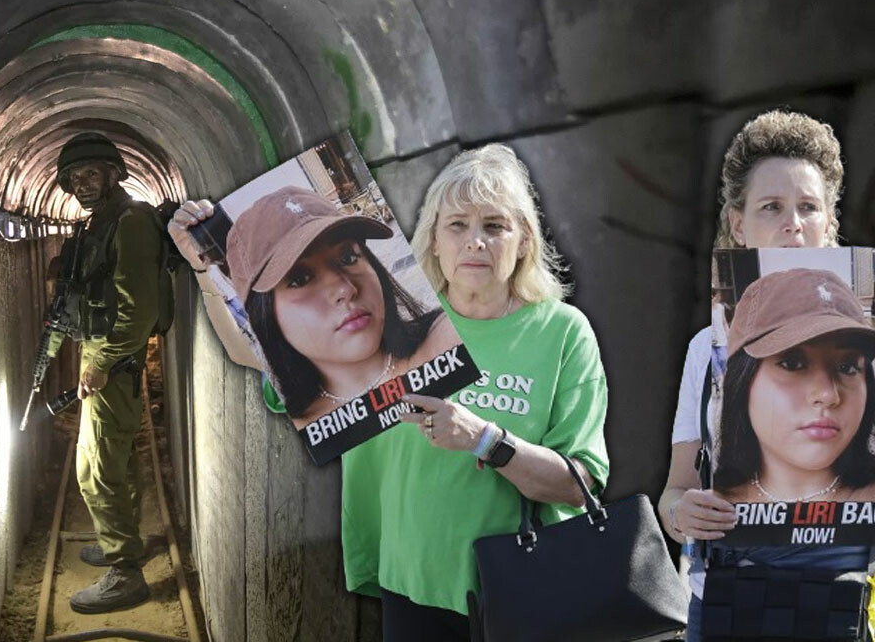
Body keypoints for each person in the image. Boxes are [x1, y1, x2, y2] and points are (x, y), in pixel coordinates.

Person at [170, 144, 609, 640]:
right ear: (435, 240)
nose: (475, 243)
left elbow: (581, 483)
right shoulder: (376, 344)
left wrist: (486, 439)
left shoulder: (562, 332)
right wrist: (205, 269)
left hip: (523, 588)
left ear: (524, 239)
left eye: (495, 225)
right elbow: (250, 353)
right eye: (457, 225)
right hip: (410, 587)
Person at [656, 109, 870, 640]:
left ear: (829, 222)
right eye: (771, 207)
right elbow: (673, 493)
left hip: (840, 604)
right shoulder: (707, 349)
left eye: (808, 207)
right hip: (727, 607)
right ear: (738, 222)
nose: (792, 223)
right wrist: (685, 515)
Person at [222, 186, 460, 430]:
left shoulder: (447, 338)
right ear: (266, 316)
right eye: (300, 279)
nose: (345, 289)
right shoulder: (298, 429)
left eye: (348, 257)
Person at [52, 131, 162, 613]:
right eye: (74, 178)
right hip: (103, 351)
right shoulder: (104, 221)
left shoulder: (130, 222)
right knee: (115, 456)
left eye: (91, 173)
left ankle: (124, 571)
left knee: (94, 468)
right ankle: (122, 540)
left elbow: (138, 311)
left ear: (114, 174)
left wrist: (101, 362)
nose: (82, 183)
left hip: (113, 356)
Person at [713, 269, 875, 504]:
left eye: (848, 367)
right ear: (742, 381)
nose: (828, 395)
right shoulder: (711, 509)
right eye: (792, 363)